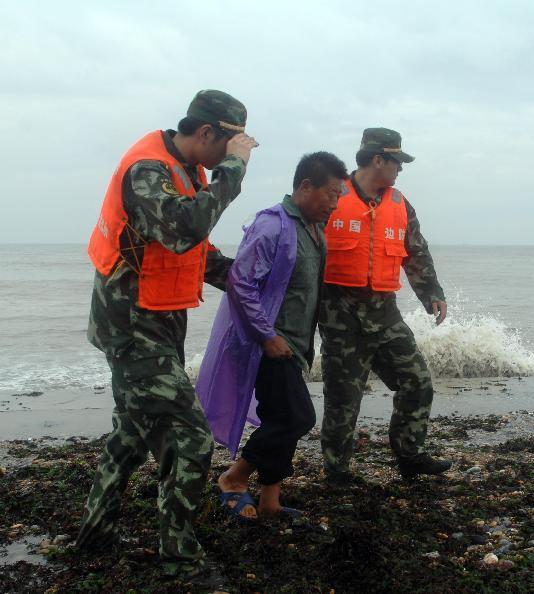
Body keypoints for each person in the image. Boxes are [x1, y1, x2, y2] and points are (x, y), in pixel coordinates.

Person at [76, 90, 258, 585]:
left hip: (158, 320)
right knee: (192, 437)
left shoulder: (187, 169)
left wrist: (244, 278)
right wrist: (234, 173)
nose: (230, 158)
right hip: (132, 328)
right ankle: (180, 559)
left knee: (133, 434)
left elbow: (191, 248)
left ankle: (93, 536)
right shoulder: (147, 170)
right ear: (206, 134)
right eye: (229, 147)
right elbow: (183, 227)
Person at [196, 151, 348, 520]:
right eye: (331, 193)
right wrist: (266, 336)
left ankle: (270, 502)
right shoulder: (272, 225)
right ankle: (233, 478)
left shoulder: (314, 229)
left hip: (295, 344)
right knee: (297, 418)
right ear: (305, 186)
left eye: (339, 195)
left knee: (280, 417)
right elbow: (241, 283)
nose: (335, 202)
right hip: (265, 344)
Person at [319, 127, 451, 484]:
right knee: (343, 398)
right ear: (378, 159)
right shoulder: (333, 195)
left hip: (384, 312)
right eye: (397, 161)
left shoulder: (399, 203)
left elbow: (417, 252)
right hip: (339, 314)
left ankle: (408, 455)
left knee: (417, 381)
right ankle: (337, 471)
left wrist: (432, 293)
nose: (400, 169)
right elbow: (301, 252)